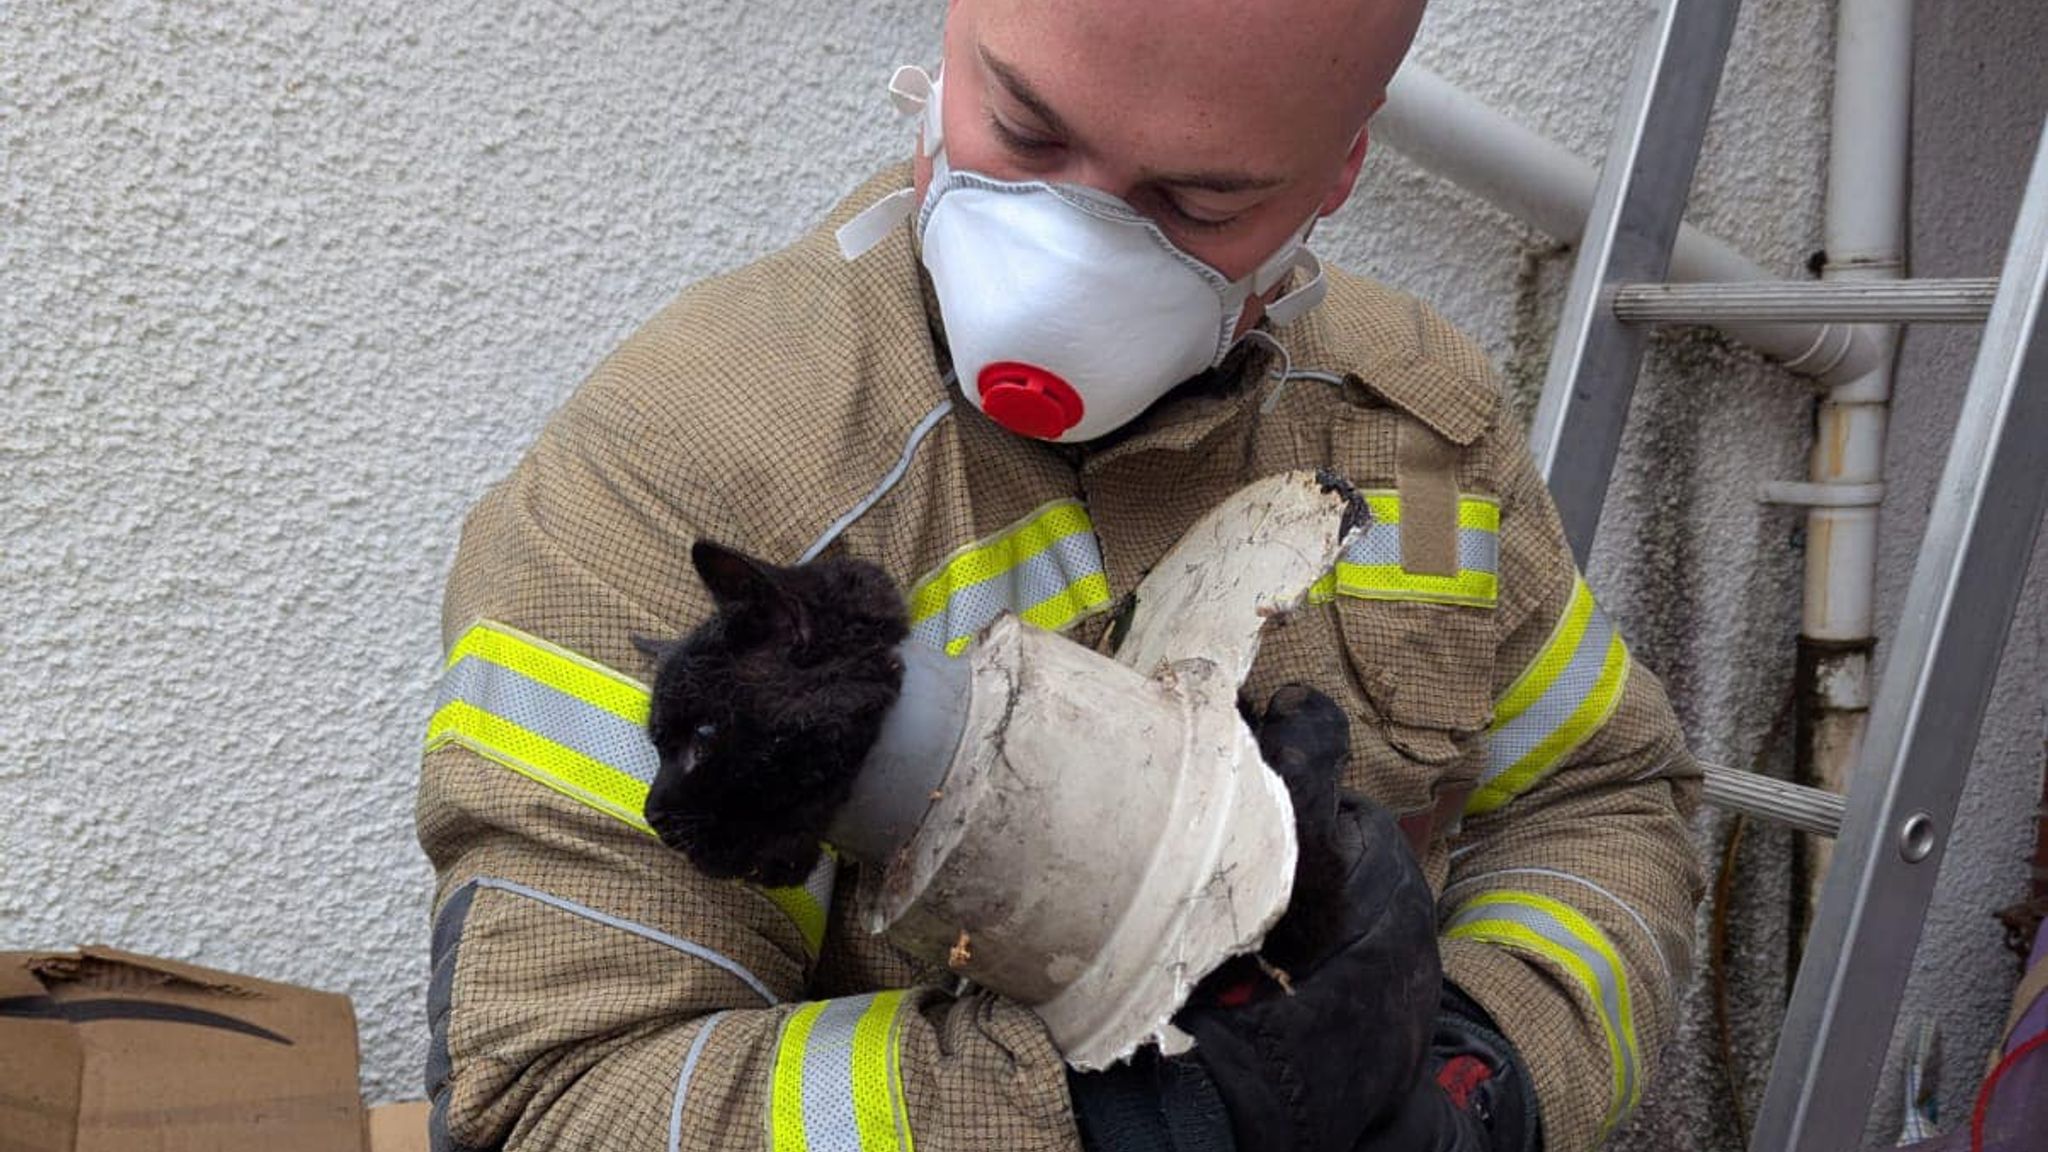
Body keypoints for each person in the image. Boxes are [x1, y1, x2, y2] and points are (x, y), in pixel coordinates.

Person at [416, 0, 1704, 1149]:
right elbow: (556, 1100)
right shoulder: (691, 473)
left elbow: (1603, 801)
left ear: (1342, 169)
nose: (1072, 250)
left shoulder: (1411, 433)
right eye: (1024, 131)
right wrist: (1106, 1114)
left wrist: (1483, 1073)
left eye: (1200, 203)